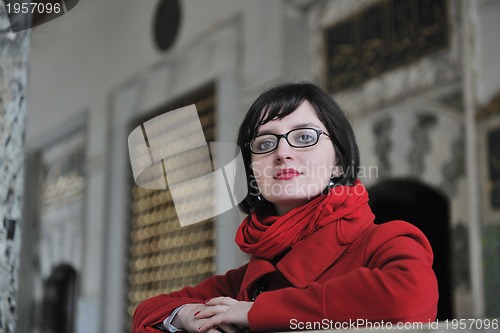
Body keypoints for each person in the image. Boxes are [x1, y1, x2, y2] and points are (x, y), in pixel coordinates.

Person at [132, 82, 438, 333]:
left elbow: (408, 300)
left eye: (304, 137)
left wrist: (256, 313)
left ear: (338, 163)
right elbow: (148, 311)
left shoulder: (384, 241)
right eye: (265, 143)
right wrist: (189, 316)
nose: (282, 153)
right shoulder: (248, 278)